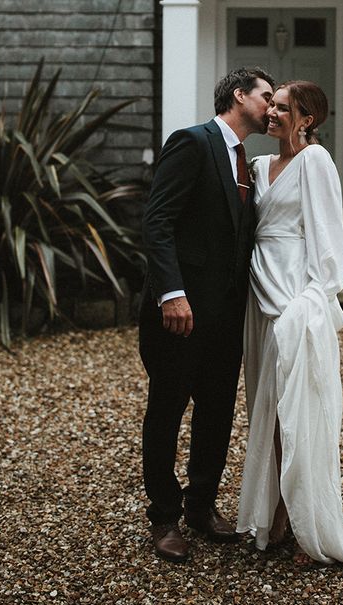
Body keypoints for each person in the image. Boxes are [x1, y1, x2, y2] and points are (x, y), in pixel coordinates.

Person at [236, 81, 343, 567]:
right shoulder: (257, 167)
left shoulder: (316, 163)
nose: (272, 113)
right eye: (271, 105)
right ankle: (274, 515)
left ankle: (306, 528)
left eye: (282, 108)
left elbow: (328, 246)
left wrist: (311, 303)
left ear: (306, 119)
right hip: (258, 301)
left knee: (298, 418)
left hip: (293, 303)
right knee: (267, 415)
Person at [139, 68, 275, 563]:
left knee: (217, 413)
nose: (272, 107)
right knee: (167, 410)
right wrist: (171, 293)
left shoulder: (250, 164)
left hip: (227, 316)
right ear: (238, 96)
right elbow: (158, 219)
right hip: (181, 313)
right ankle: (163, 518)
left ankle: (200, 507)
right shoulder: (192, 143)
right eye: (265, 96)